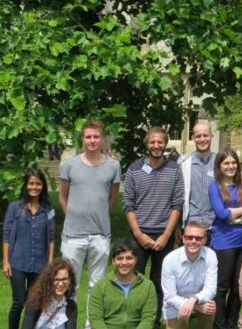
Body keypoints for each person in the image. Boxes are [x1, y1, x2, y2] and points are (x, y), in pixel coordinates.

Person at [58, 120, 121, 324]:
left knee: (97, 285)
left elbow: (112, 198)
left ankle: (90, 325)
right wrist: (74, 216)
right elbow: (62, 197)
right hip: (72, 236)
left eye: (96, 137)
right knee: (70, 284)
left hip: (100, 235)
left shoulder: (113, 166)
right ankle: (69, 324)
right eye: (88, 137)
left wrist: (99, 214)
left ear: (102, 139)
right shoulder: (69, 166)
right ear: (82, 139)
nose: (92, 141)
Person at [123, 126, 184, 324]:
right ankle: (134, 318)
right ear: (147, 144)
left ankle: (155, 320)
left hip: (163, 235)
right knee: (135, 280)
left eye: (160, 142)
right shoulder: (134, 169)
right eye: (152, 142)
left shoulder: (175, 169)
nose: (156, 146)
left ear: (165, 144)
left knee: (161, 282)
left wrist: (166, 236)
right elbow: (128, 205)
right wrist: (139, 235)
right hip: (139, 235)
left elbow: (177, 203)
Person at [208, 148, 242, 329]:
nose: (230, 166)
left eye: (233, 163)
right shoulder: (214, 187)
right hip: (223, 242)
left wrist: (241, 218)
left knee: (239, 288)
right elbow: (222, 214)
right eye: (226, 163)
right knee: (222, 287)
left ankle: (231, 324)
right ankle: (219, 325)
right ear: (219, 166)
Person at [3, 170, 55, 329]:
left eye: (38, 183)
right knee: (18, 302)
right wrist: (5, 261)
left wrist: (50, 262)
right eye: (31, 183)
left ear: (43, 186)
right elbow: (6, 235)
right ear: (26, 186)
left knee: (34, 303)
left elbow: (51, 237)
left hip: (40, 264)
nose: (34, 187)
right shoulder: (15, 207)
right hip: (17, 263)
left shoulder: (48, 209)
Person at [88, 239, 158, 328]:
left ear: (136, 260)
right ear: (113, 261)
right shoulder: (100, 286)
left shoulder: (148, 286)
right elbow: (96, 319)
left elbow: (148, 319)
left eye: (129, 258)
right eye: (120, 258)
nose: (124, 263)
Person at [161, 221, 217, 329]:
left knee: (210, 306)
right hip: (175, 307)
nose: (193, 241)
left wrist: (194, 300)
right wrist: (195, 306)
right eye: (189, 237)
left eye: (198, 238)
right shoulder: (170, 259)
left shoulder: (210, 255)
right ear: (183, 238)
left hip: (201, 302)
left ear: (205, 240)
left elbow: (211, 289)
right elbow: (170, 297)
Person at [180, 121, 217, 230]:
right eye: (198, 136)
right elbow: (178, 195)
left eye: (205, 135)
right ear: (193, 138)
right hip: (191, 224)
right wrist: (178, 224)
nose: (202, 139)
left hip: (215, 224)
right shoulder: (184, 162)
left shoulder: (220, 162)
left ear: (211, 136)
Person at [22, 259, 78, 329]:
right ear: (49, 281)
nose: (60, 284)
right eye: (57, 279)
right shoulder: (34, 303)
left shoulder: (71, 306)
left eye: (64, 279)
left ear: (70, 281)